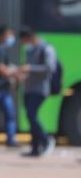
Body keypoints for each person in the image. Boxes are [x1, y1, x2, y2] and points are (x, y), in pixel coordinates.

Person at [19, 27, 58, 157]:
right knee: (30, 117)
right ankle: (35, 148)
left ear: (29, 37)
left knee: (31, 114)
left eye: (24, 40)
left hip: (40, 89)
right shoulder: (30, 50)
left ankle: (46, 139)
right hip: (29, 89)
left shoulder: (46, 49)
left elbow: (49, 68)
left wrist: (30, 68)